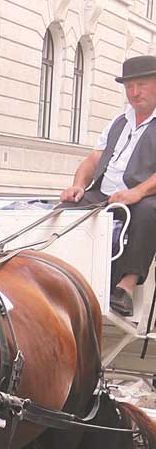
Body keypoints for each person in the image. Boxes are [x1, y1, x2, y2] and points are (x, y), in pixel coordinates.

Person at [60, 55, 156, 317]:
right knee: (67, 207)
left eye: (142, 85)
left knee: (150, 211)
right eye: (129, 87)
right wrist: (78, 185)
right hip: (104, 192)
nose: (134, 93)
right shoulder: (119, 121)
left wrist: (136, 192)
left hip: (143, 195)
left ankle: (125, 287)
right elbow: (94, 159)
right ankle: (66, 275)